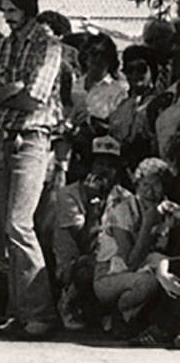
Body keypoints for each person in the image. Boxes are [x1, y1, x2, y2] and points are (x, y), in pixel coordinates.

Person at [0, 0, 63, 339]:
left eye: (12, 10)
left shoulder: (48, 45)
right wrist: (9, 91)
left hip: (30, 139)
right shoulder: (2, 46)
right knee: (7, 231)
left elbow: (34, 99)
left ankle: (41, 312)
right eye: (4, 11)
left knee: (19, 224)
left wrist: (2, 95)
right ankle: (19, 311)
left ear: (27, 8)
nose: (7, 18)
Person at [92, 157, 176, 330]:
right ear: (137, 185)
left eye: (156, 185)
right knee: (148, 282)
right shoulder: (123, 209)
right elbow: (131, 262)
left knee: (169, 273)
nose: (150, 192)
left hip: (144, 268)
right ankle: (117, 316)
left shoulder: (166, 209)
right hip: (110, 274)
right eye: (145, 185)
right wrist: (147, 225)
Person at [53, 135, 121, 331]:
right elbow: (86, 245)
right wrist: (92, 207)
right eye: (99, 163)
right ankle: (69, 303)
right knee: (87, 268)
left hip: (111, 263)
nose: (104, 170)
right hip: (75, 264)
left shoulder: (123, 196)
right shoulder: (68, 195)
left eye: (110, 165)